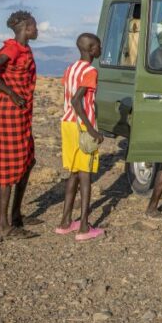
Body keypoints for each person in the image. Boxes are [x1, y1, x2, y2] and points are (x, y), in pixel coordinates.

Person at [0, 11, 40, 240]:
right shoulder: (12, 48)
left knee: (27, 160)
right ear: (26, 28)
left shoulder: (24, 48)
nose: (37, 29)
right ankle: (2, 225)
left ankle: (16, 216)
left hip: (22, 113)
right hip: (11, 113)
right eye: (35, 26)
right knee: (8, 167)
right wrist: (10, 92)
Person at [55, 34, 105, 241]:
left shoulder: (71, 68)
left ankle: (65, 222)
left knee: (73, 173)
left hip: (67, 123)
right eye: (99, 46)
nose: (101, 49)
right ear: (92, 49)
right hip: (82, 126)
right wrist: (92, 130)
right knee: (86, 175)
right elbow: (77, 100)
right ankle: (84, 226)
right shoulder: (91, 71)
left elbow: (69, 95)